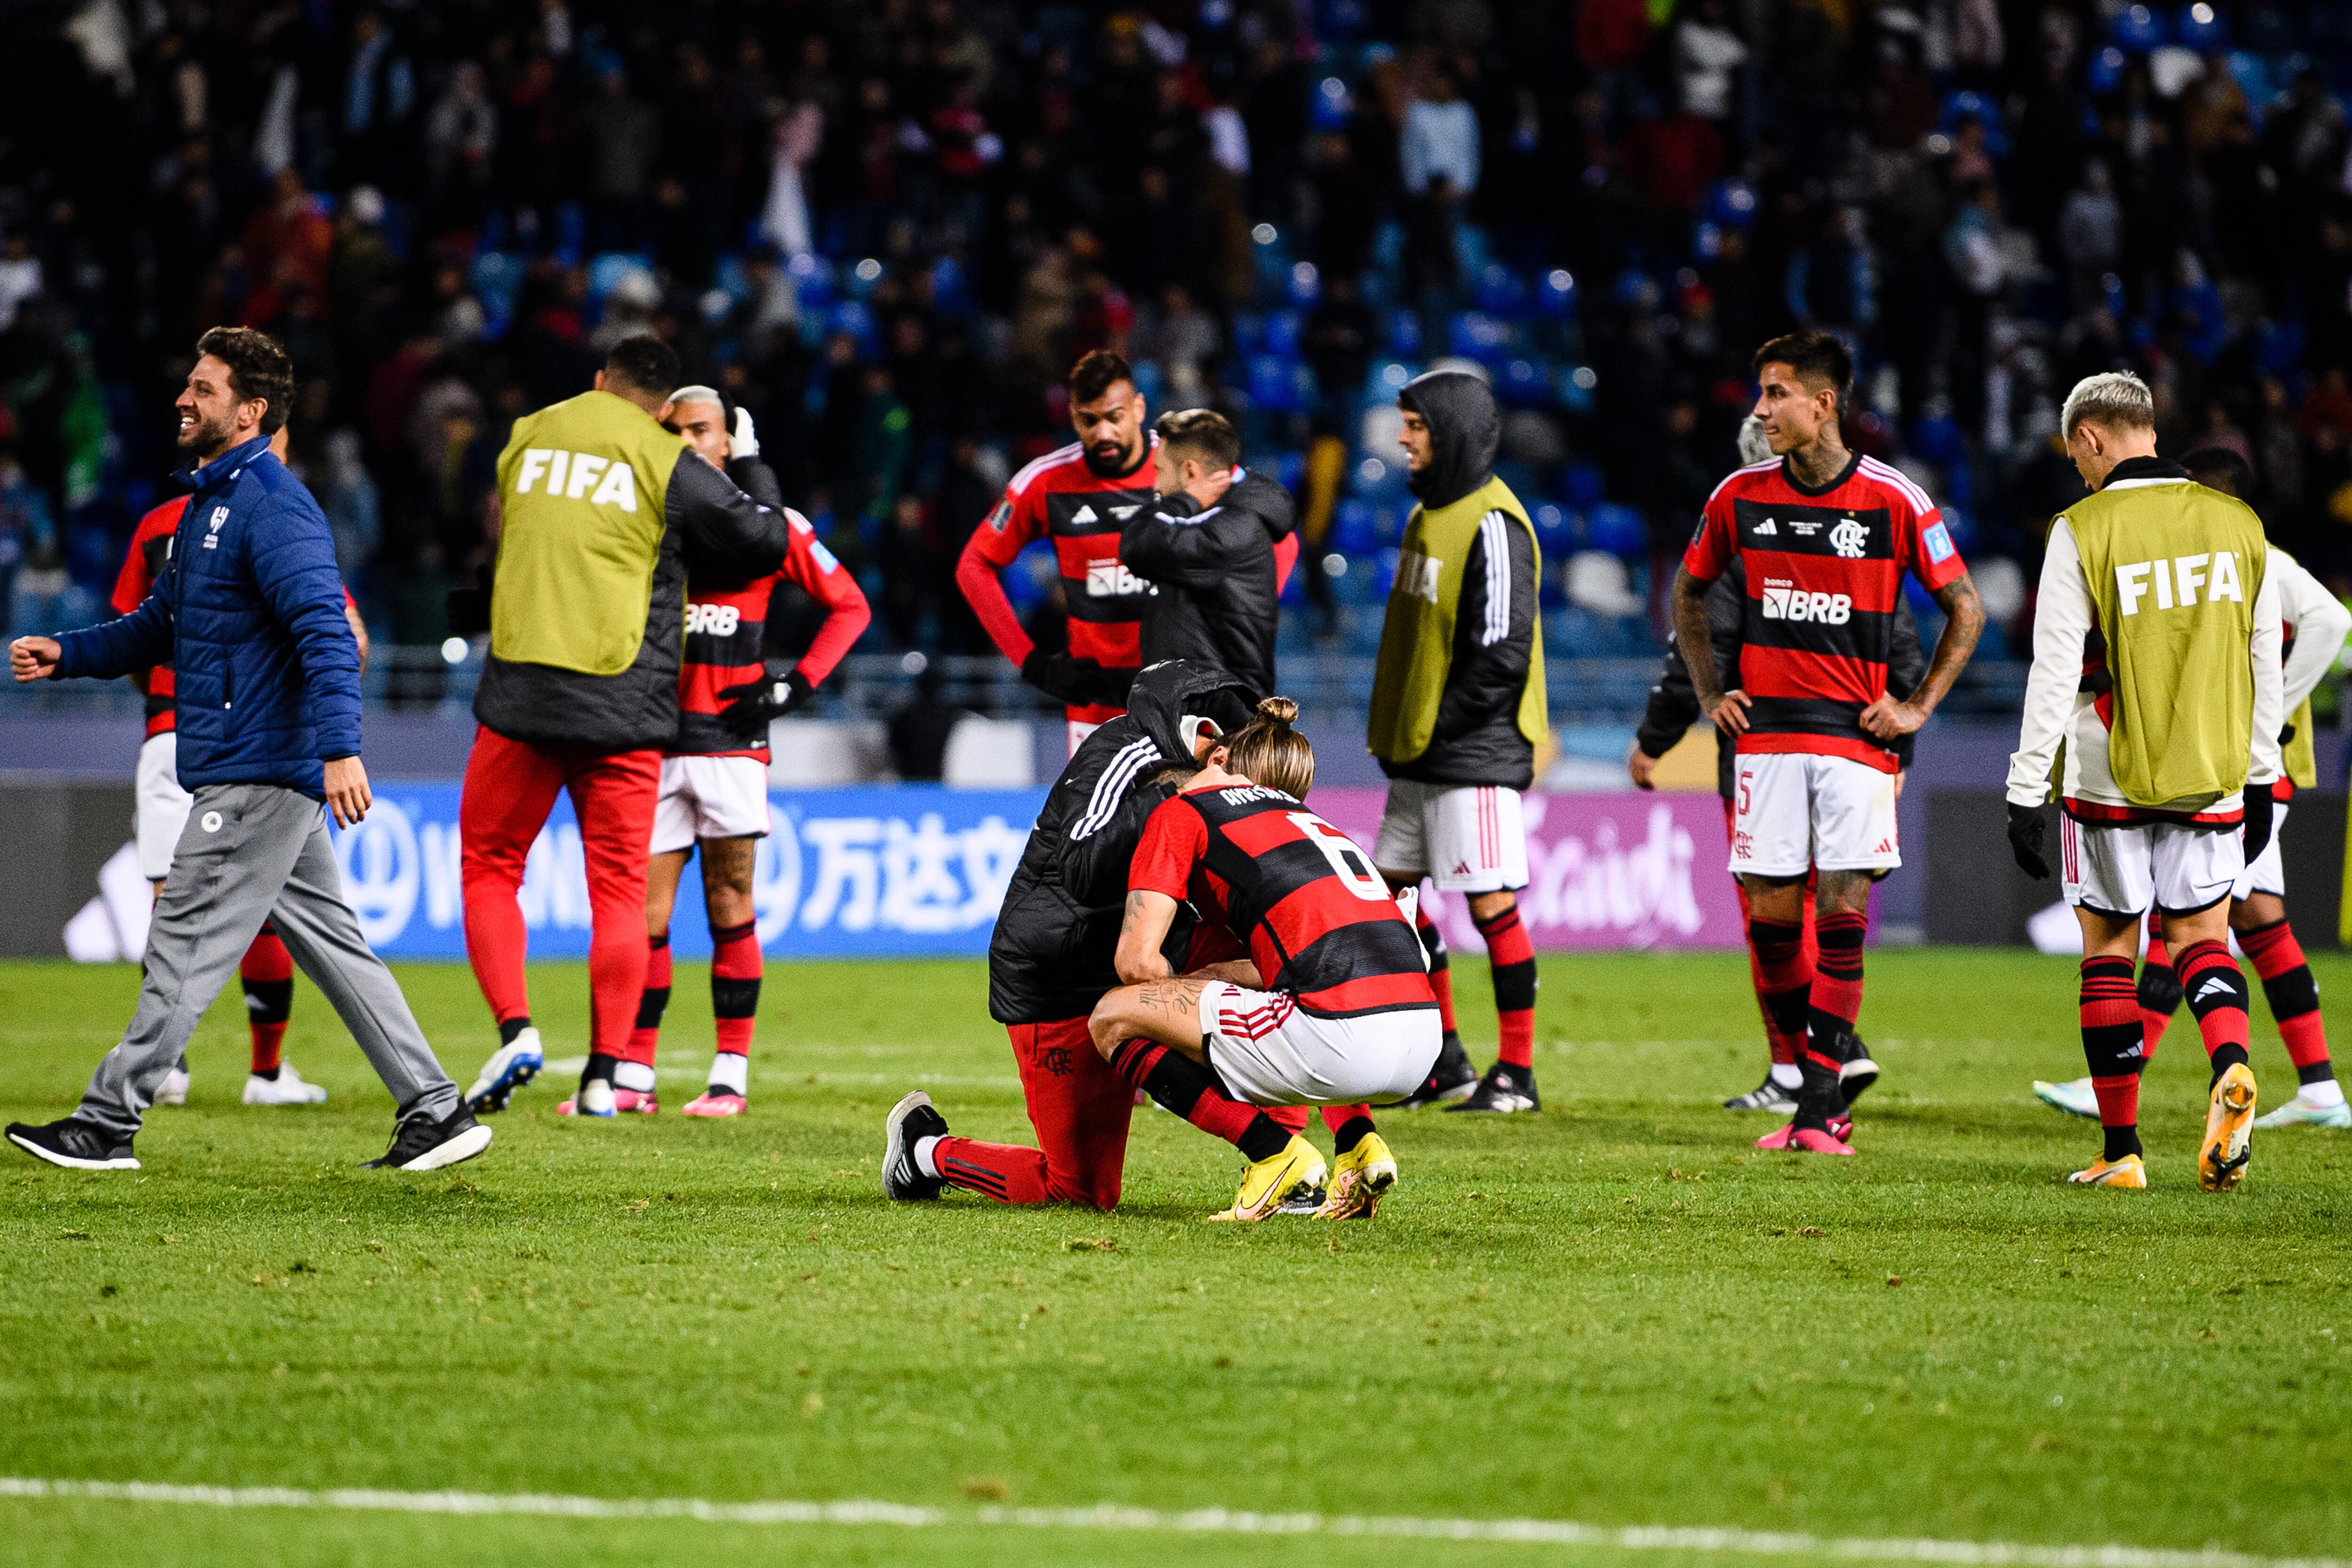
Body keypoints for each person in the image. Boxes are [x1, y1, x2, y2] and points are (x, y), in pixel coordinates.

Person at [5, 327, 486, 1173]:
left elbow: (328, 638)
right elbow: (160, 623)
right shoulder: (206, 507)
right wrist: (69, 652)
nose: (184, 399)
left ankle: (107, 1119)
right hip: (266, 768)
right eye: (187, 384)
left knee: (182, 940)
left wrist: (343, 748)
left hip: (259, 768)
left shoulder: (274, 505)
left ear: (250, 410)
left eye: (204, 387)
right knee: (336, 944)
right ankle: (436, 1107)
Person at [880, 664, 1393, 1216]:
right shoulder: (1125, 750)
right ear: (1217, 755)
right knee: (1080, 1192)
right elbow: (1081, 869)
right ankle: (925, 1151)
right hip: (1058, 971)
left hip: (1157, 946)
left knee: (1280, 956)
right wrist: (1175, 796)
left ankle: (1292, 1165)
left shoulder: (1245, 773)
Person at [456, 337, 798, 1119]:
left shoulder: (528, 435)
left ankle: (515, 1027)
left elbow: (509, 532)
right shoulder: (664, 457)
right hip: (625, 706)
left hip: (521, 692)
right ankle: (607, 1075)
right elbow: (765, 539)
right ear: (665, 404)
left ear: (600, 381)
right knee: (618, 893)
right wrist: (750, 461)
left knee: (489, 862)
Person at [1674, 331, 1985, 1156]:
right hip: (1765, 740)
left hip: (1855, 743)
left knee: (1843, 912)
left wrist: (1916, 707)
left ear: (1825, 403)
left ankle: (1821, 1109)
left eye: (1777, 393)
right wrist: (1710, 692)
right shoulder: (1738, 496)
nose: (1761, 409)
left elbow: (1967, 607)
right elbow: (1689, 591)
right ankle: (1812, 1087)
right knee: (1774, 926)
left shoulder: (1894, 500)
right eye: (1760, 392)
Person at [2006, 374, 2283, 1191]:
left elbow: (2055, 671)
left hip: (2109, 775)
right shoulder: (2238, 525)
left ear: (2090, 437)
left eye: (2076, 455)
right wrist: (2262, 773)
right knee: (2202, 940)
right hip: (2213, 770)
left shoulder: (2083, 528)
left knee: (2110, 948)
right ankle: (2230, 1062)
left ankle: (2122, 1150)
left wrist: (2028, 789)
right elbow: (2261, 662)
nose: (2078, 471)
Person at [2026, 442, 2347, 1140]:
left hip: (2231, 766)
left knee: (2189, 926)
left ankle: (2124, 1082)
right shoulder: (2222, 552)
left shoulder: (2246, 551)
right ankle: (2316, 1085)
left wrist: (2274, 704)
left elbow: (2333, 622)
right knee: (2250, 922)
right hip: (2220, 766)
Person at [1633, 420, 1929, 1114]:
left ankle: (1802, 1067)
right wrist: (1901, 747)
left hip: (1764, 751)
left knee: (1772, 919)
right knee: (1832, 910)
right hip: (1857, 750)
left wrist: (1656, 736)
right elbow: (1903, 649)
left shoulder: (1740, 535)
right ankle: (1830, 1055)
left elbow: (1697, 644)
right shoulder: (1863, 533)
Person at [596, 388, 869, 1119]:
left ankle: (730, 1075)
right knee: (647, 915)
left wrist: (794, 688)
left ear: (729, 443)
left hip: (732, 745)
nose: (687, 441)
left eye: (701, 430)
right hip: (652, 742)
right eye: (674, 430)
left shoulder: (772, 531)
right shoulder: (642, 523)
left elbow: (852, 606)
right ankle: (638, 1074)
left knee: (730, 905)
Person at [1088, 699, 1437, 1219]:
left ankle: (1272, 1153)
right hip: (1420, 1041)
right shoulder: (1309, 822)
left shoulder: (1183, 813)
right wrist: (1218, 978)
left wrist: (1178, 995)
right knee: (1297, 989)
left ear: (1216, 760)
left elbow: (1136, 963)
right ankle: (1360, 1146)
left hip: (1339, 1041)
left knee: (1113, 1016)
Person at [114, 422, 373, 1109]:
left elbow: (137, 635)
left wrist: (172, 697)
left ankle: (164, 1074)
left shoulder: (164, 523)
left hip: (171, 737)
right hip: (254, 747)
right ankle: (265, 1072)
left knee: (171, 910)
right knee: (268, 917)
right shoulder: (281, 512)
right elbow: (347, 636)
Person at [1366, 369, 1547, 1114]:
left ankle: (1518, 1074)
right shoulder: (1426, 518)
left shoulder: (1495, 524)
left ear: (1454, 432)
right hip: (1420, 754)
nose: (1404, 438)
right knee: (1392, 901)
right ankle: (1444, 1058)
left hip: (1473, 752)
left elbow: (1502, 652)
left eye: (1416, 425)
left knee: (1491, 905)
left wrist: (1438, 729)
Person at [954, 350, 1160, 756]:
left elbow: (1275, 535)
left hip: (1182, 699)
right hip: (1096, 706)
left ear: (1138, 409)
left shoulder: (1185, 462)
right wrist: (1031, 662)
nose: (1102, 432)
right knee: (1095, 821)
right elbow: (973, 566)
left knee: (1190, 820)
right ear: (1071, 415)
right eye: (1089, 419)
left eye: (1114, 417)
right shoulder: (1046, 482)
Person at [1120, 406, 1298, 696]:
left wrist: (1185, 500)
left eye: (1160, 471)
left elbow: (1138, 546)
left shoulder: (1235, 526)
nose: (1156, 485)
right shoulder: (1221, 516)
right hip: (1203, 710)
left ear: (1191, 471)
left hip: (1222, 719)